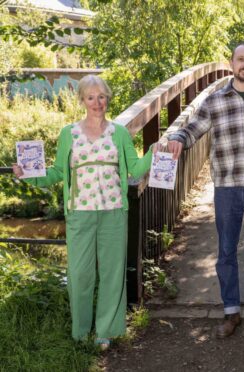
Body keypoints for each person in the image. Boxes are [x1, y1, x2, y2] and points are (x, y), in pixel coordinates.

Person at [12, 75, 155, 350]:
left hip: (113, 212)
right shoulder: (69, 133)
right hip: (79, 212)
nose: (97, 102)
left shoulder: (120, 133)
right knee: (80, 274)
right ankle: (80, 331)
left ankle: (106, 330)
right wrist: (27, 175)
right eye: (91, 97)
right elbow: (56, 172)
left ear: (107, 98)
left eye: (101, 96)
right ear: (82, 100)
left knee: (113, 273)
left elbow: (135, 169)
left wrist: (153, 150)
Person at [166, 42, 244, 339]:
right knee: (225, 253)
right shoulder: (215, 100)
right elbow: (192, 129)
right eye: (240, 60)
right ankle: (231, 312)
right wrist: (175, 137)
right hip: (227, 189)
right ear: (231, 63)